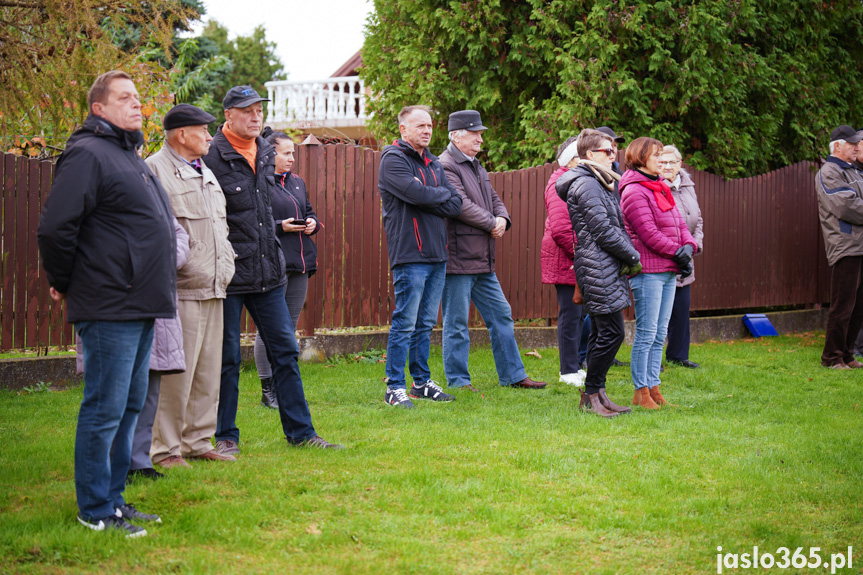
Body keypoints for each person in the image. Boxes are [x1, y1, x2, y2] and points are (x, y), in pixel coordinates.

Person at [37, 70, 176, 537]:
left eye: (138, 97)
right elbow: (56, 227)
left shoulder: (127, 154)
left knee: (130, 403)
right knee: (105, 406)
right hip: (109, 299)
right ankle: (94, 507)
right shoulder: (87, 153)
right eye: (125, 97)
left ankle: (114, 499)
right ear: (99, 108)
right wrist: (63, 280)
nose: (137, 104)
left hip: (139, 300)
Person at [204, 85, 342, 449]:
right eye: (247, 111)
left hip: (268, 272)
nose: (255, 117)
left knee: (285, 351)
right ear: (228, 115)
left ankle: (302, 434)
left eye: (259, 111)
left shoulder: (265, 152)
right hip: (231, 272)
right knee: (227, 359)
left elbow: (266, 212)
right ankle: (225, 438)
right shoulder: (210, 156)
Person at [145, 104, 238, 467]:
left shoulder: (205, 171)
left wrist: (224, 259)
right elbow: (158, 232)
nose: (209, 136)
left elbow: (219, 226)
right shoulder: (155, 170)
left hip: (214, 284)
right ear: (181, 134)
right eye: (202, 130)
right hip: (181, 287)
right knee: (176, 375)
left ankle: (198, 440)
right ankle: (165, 449)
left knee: (207, 370)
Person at [439, 110, 547, 392]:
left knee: (501, 315)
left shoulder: (476, 165)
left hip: (482, 259)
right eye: (474, 134)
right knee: (457, 323)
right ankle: (459, 381)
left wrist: (502, 219)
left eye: (480, 134)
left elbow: (495, 199)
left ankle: (513, 375)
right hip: (458, 257)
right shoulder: (445, 165)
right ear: (455, 135)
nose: (479, 139)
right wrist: (491, 224)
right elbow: (459, 204)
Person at [378, 105, 463, 408]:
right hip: (409, 253)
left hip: (437, 254)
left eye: (429, 125)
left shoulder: (434, 163)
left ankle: (420, 382)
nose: (427, 131)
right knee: (405, 321)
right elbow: (419, 196)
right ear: (403, 129)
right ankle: (394, 387)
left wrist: (430, 194)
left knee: (425, 323)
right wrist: (432, 195)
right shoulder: (393, 160)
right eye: (420, 126)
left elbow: (455, 204)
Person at [555, 129, 640, 418]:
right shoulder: (587, 184)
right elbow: (604, 231)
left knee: (603, 332)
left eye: (613, 148)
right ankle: (592, 391)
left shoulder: (598, 182)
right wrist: (632, 256)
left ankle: (596, 393)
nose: (613, 153)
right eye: (607, 150)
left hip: (603, 265)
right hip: (597, 266)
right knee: (613, 333)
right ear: (590, 154)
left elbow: (615, 226)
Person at [620, 137, 698, 409]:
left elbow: (680, 223)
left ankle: (654, 387)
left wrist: (688, 247)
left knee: (659, 332)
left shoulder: (659, 187)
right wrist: (678, 252)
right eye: (657, 156)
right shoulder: (633, 191)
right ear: (641, 158)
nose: (662, 161)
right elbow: (647, 233)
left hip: (668, 269)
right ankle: (640, 392)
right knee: (646, 332)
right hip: (649, 272)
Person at [253, 128, 319, 409]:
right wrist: (281, 226)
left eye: (293, 153)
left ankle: (283, 386)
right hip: (273, 263)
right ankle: (268, 390)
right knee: (269, 329)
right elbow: (255, 221)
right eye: (286, 153)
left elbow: (309, 210)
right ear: (270, 153)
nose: (292, 158)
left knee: (288, 329)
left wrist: (312, 222)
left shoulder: (297, 182)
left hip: (301, 263)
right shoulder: (261, 183)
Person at [814, 125, 863, 369]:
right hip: (846, 245)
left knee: (858, 304)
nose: (857, 147)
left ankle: (847, 354)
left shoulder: (853, 171)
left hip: (860, 245)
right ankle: (831, 357)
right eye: (852, 144)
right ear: (837, 146)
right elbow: (846, 207)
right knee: (843, 304)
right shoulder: (829, 171)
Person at [542, 135, 586, 386]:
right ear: (571, 160)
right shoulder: (560, 182)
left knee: (578, 315)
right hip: (567, 258)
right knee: (570, 315)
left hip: (575, 258)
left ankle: (575, 366)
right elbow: (561, 228)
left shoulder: (574, 180)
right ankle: (567, 371)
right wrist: (582, 256)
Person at [660, 144, 704, 369]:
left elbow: (698, 220)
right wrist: (676, 251)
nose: (667, 166)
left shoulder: (687, 186)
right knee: (658, 313)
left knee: (681, 310)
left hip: (687, 255)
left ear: (680, 165)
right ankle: (652, 360)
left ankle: (678, 355)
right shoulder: (655, 186)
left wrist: (694, 246)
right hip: (664, 255)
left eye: (672, 162)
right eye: (663, 162)